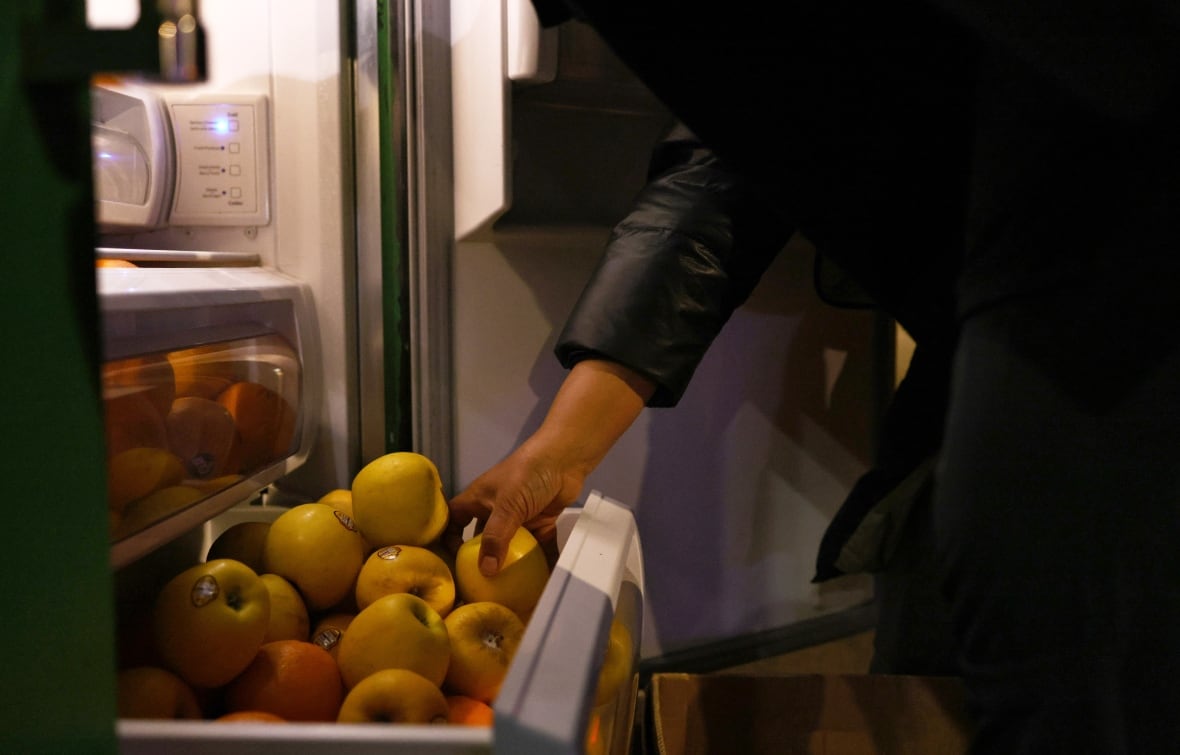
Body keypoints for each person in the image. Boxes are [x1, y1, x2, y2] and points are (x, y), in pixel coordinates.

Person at [448, 1, 1180, 751]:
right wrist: (561, 448)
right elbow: (727, 169)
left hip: (1108, 314)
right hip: (1004, 337)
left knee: (1061, 652)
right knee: (944, 655)